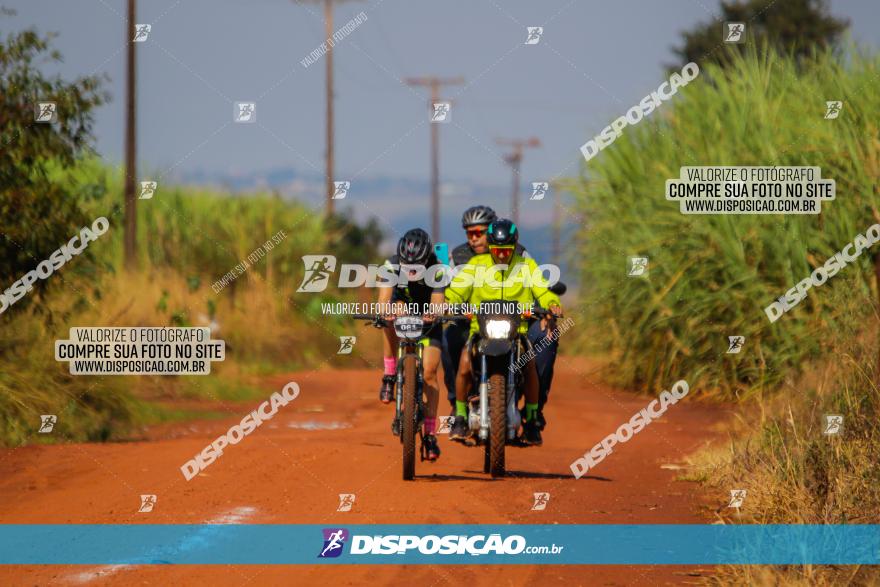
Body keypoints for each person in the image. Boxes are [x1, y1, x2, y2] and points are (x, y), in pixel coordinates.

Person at [444, 219, 563, 446]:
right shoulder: (476, 265)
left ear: (514, 247)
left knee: (529, 366)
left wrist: (551, 303)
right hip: (481, 333)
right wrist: (449, 301)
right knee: (464, 363)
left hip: (516, 333)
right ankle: (459, 416)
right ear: (490, 247)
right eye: (496, 250)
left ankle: (531, 417)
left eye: (505, 251)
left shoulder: (526, 266)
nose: (500, 256)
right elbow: (457, 290)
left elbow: (542, 290)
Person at [376, 228, 446, 461]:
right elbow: (383, 300)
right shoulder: (391, 265)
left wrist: (433, 314)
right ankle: (389, 374)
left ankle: (429, 433)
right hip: (401, 316)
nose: (412, 271)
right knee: (388, 318)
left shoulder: (438, 269)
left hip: (428, 324)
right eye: (407, 265)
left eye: (417, 267)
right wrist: (385, 311)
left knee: (429, 373)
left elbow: (437, 303)